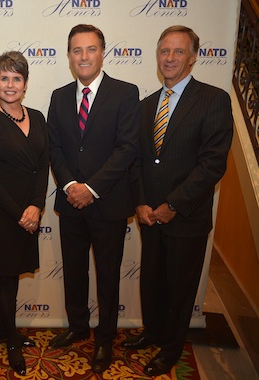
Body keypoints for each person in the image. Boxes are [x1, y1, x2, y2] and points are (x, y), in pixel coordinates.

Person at [122, 25, 233, 376]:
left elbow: (212, 163)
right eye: (164, 51)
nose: (169, 58)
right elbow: (139, 159)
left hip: (185, 216)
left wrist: (173, 204)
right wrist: (140, 202)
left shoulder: (214, 99)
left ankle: (171, 349)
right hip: (149, 216)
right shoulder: (146, 105)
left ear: (194, 56)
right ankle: (152, 333)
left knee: (181, 288)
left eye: (178, 51)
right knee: (153, 280)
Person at [47, 24, 140, 373]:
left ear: (103, 52)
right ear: (69, 56)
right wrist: (71, 185)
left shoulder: (125, 92)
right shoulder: (58, 96)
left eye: (90, 49)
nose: (83, 57)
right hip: (70, 203)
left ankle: (105, 338)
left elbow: (127, 148)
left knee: (107, 275)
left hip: (108, 204)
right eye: (76, 50)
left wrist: (91, 188)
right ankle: (77, 326)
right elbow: (54, 147)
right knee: (74, 271)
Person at [0, 51, 48, 375]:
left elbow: (42, 167)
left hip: (29, 211)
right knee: (5, 275)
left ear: (25, 83)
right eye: (4, 78)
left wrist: (37, 206)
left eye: (16, 78)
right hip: (1, 212)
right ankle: (13, 338)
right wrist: (21, 213)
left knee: (15, 272)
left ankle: (4, 328)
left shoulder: (38, 117)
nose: (10, 84)